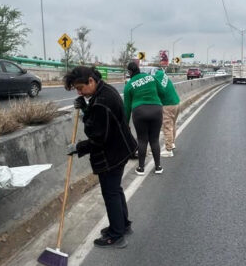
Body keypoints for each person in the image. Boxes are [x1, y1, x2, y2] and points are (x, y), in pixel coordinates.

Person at [65, 66, 137, 248]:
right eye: (77, 90)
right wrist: (86, 107)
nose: (80, 92)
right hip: (121, 148)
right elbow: (100, 121)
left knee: (110, 192)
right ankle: (123, 224)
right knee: (116, 189)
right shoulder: (105, 90)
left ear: (91, 80)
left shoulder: (101, 103)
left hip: (112, 154)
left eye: (81, 88)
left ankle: (116, 235)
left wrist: (78, 147)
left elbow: (98, 138)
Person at [123, 61, 164, 175]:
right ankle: (158, 167)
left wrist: (126, 123)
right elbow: (161, 91)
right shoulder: (151, 78)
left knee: (142, 140)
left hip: (139, 112)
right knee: (154, 140)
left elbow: (126, 107)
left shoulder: (129, 85)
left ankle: (141, 168)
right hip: (156, 109)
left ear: (130, 72)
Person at [153, 68, 180, 157]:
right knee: (172, 125)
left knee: (167, 127)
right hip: (176, 102)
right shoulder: (162, 74)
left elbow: (158, 92)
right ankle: (172, 143)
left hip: (168, 105)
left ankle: (168, 150)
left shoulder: (155, 80)